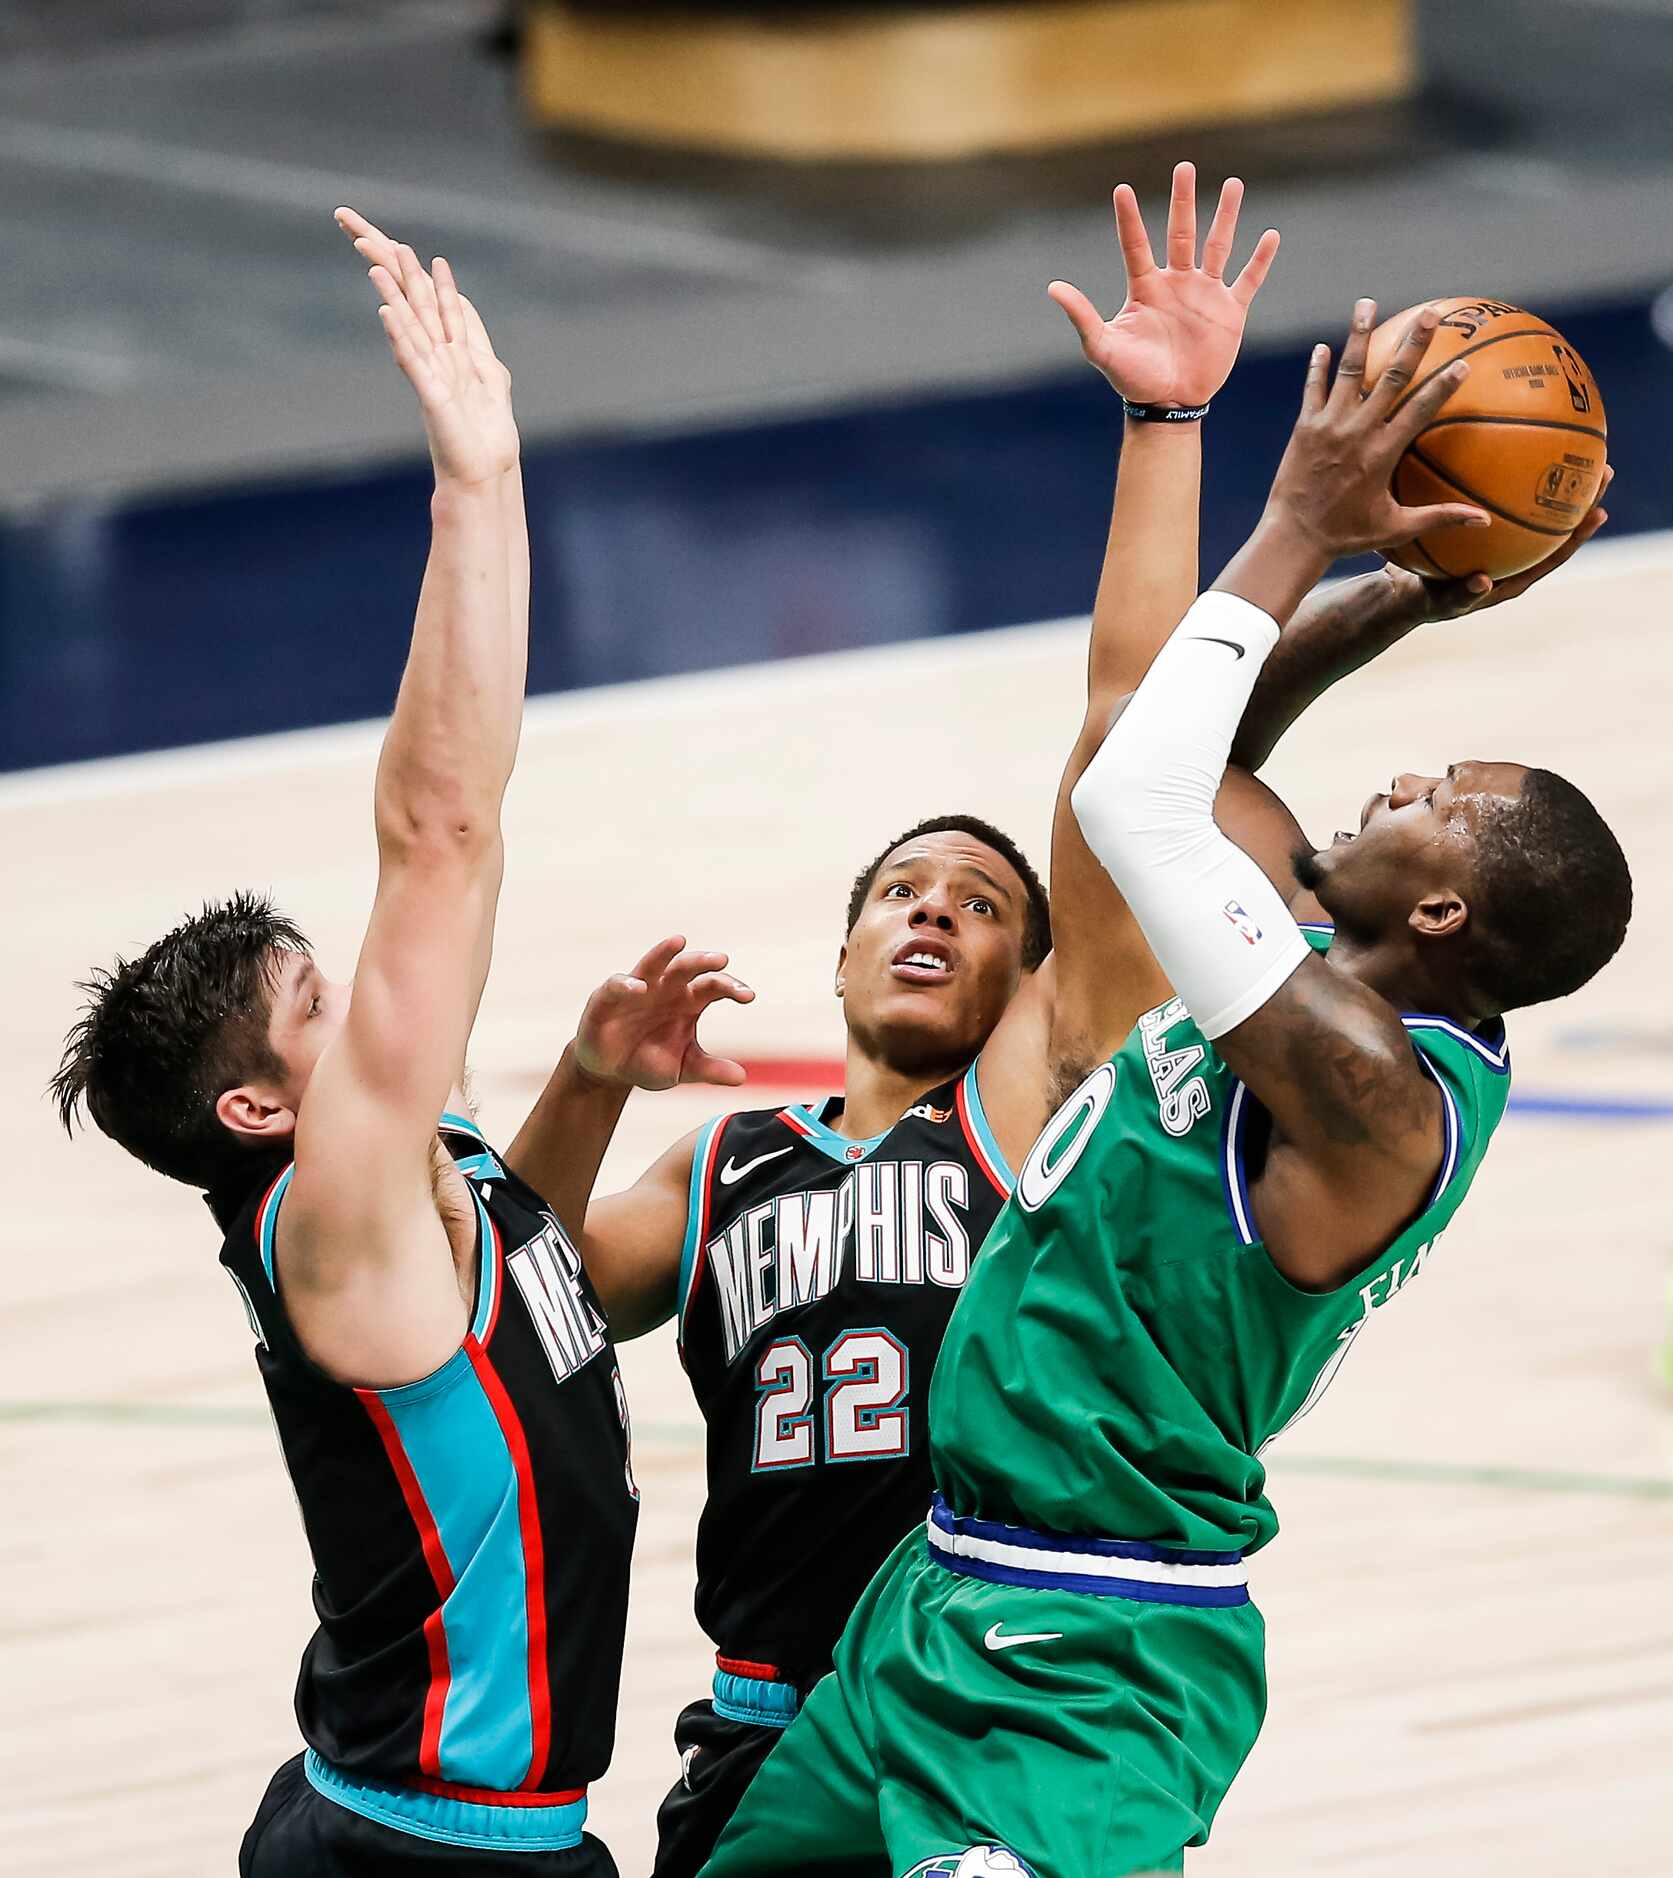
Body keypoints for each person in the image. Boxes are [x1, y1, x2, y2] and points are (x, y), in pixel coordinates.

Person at [696, 297, 1631, 1878]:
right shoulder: (1322, 970)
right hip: (935, 1599)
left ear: (1445, 915)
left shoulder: (1368, 1090)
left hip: (1095, 1661)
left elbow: (1134, 794)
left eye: (1444, 797)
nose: (1403, 775)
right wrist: (1399, 590)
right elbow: (1196, 753)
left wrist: (1293, 525)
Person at [50, 222, 750, 1877]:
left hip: (435, 1830)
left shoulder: (409, 1194)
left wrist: (587, 1079)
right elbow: (441, 828)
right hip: (428, 1853)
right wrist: (477, 486)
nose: (376, 1014)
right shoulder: (340, 1210)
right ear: (258, 1107)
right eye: (327, 1014)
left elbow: (532, 1291)